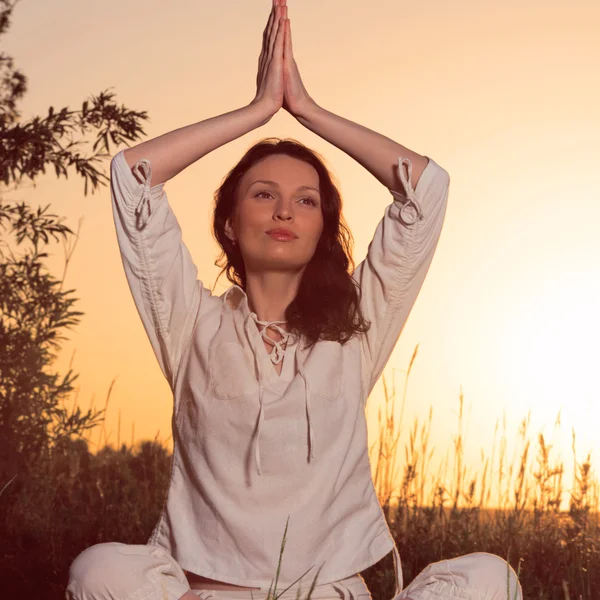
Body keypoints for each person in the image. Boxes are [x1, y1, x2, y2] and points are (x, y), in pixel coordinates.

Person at [66, 1, 522, 599]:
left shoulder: (354, 330)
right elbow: (131, 178)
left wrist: (305, 109)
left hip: (331, 593)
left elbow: (425, 190)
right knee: (99, 571)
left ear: (322, 228)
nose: (285, 210)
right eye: (264, 194)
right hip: (212, 592)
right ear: (230, 222)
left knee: (490, 578)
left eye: (306, 200)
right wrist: (256, 111)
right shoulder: (191, 323)